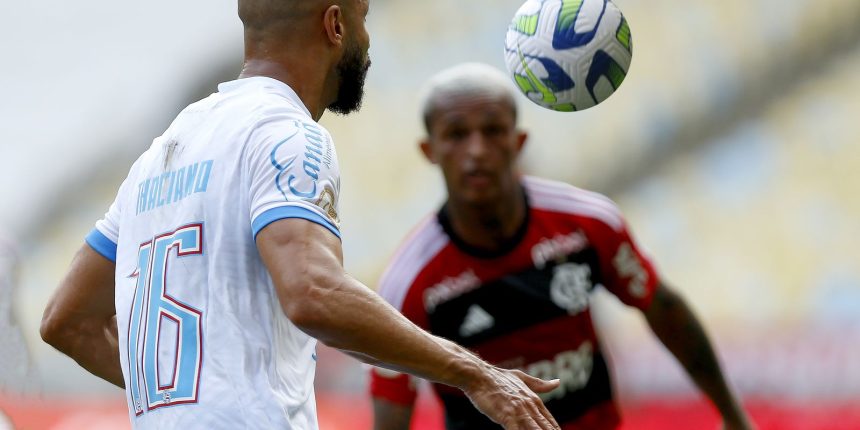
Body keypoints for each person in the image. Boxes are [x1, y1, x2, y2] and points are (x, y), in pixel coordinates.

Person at [39, 2, 562, 429]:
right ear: (335, 25)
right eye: (363, 17)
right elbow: (314, 292)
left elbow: (67, 320)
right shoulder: (287, 133)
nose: (368, 40)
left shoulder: (160, 155)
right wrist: (474, 373)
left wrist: (192, 399)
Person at [369, 62, 755, 430]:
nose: (477, 151)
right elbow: (391, 405)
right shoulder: (410, 281)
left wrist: (732, 414)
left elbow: (663, 308)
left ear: (518, 142)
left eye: (493, 130)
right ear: (429, 151)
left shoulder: (587, 223)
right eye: (456, 135)